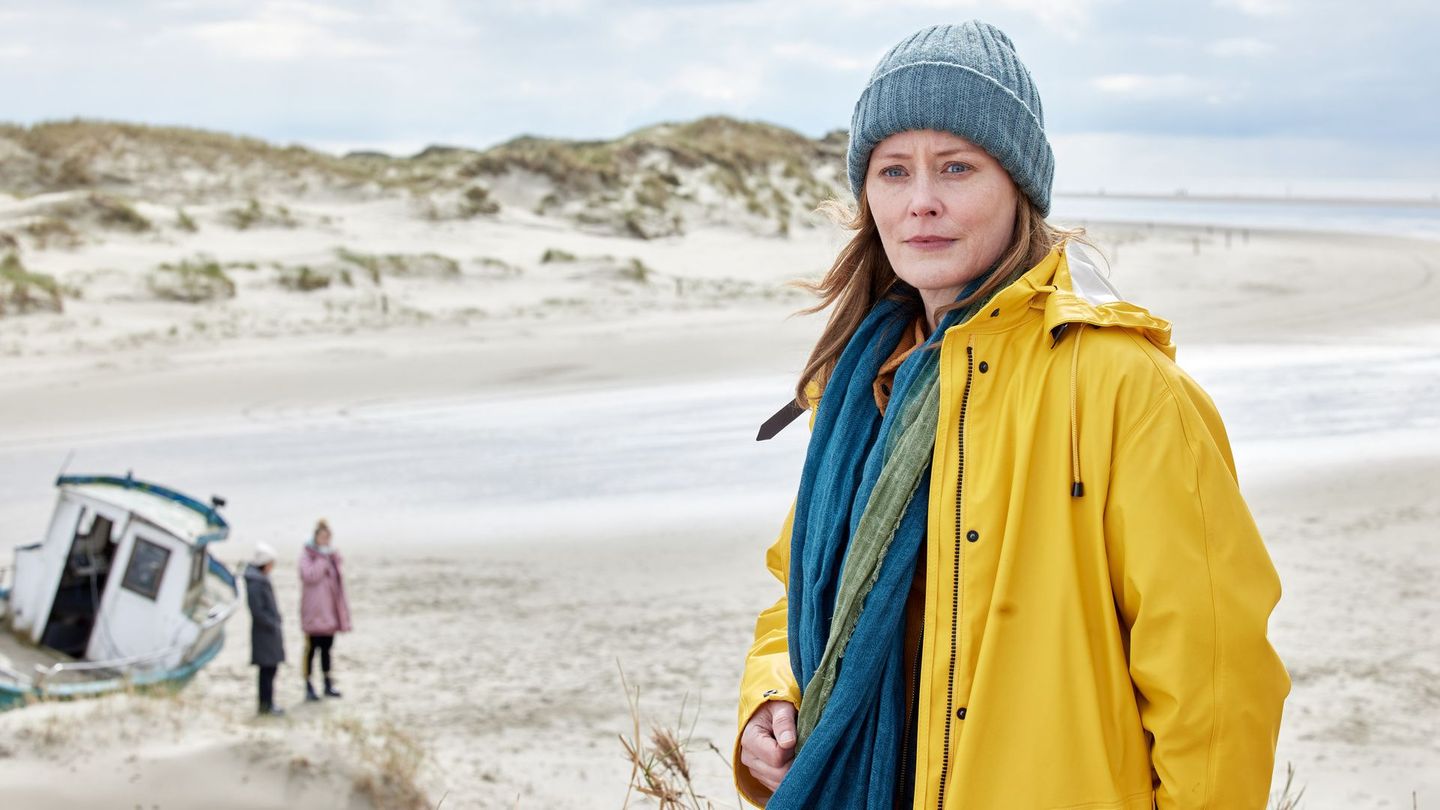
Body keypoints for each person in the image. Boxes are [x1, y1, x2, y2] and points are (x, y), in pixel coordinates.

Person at [735, 20, 1290, 810]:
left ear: (1018, 185)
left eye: (956, 167)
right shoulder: (866, 390)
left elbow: (1215, 679)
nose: (921, 202)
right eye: (893, 172)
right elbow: (801, 590)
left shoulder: (1126, 387)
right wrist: (773, 695)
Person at [299, 518, 352, 701]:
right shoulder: (307, 556)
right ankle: (308, 685)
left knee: (327, 650)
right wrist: (322, 558)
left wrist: (334, 558)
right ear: (315, 537)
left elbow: (338, 581)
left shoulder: (332, 556)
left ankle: (327, 683)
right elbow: (310, 576)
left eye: (327, 537)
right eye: (322, 537)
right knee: (311, 650)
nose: (325, 541)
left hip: (329, 612)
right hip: (313, 612)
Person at [244, 542, 285, 717]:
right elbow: (257, 610)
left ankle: (267, 704)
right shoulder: (256, 583)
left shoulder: (260, 579)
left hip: (268, 632)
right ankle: (265, 705)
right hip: (264, 633)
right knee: (267, 670)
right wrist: (272, 622)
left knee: (270, 669)